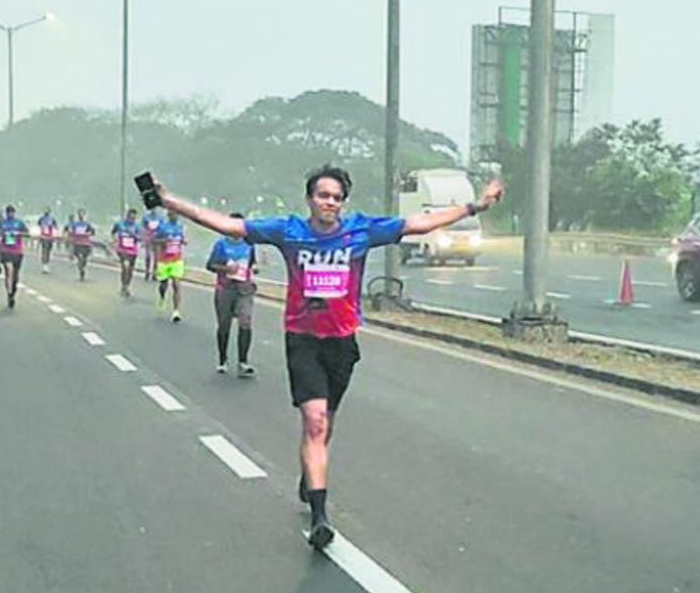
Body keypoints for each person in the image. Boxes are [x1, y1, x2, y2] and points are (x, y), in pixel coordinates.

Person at [154, 164, 504, 549]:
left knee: (326, 422)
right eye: (323, 195)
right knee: (315, 421)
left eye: (337, 197)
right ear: (310, 199)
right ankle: (320, 517)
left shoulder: (360, 230)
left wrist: (475, 206)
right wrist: (170, 202)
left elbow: (418, 224)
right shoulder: (289, 230)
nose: (330, 203)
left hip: (342, 342)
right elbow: (227, 225)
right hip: (303, 340)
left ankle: (310, 474)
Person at [206, 214, 259, 376]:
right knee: (224, 324)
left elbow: (252, 263)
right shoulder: (221, 244)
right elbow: (210, 265)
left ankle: (243, 362)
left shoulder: (249, 244)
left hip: (244, 289)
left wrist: (254, 268)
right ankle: (222, 360)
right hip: (225, 288)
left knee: (245, 321)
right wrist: (226, 269)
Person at [152, 210, 186, 323]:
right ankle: (162, 297)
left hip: (177, 260)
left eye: (177, 214)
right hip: (164, 261)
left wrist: (183, 241)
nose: (175, 216)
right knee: (163, 284)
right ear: (169, 215)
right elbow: (154, 240)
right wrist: (164, 241)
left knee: (176, 284)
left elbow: (181, 238)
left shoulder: (180, 227)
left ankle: (176, 311)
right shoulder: (162, 227)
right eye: (173, 214)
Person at [0, 205, 28, 308]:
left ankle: (13, 292)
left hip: (17, 251)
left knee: (15, 277)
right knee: (9, 271)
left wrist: (18, 233)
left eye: (12, 212)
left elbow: (27, 233)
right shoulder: (2, 223)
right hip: (6, 250)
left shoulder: (19, 222)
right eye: (8, 212)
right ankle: (9, 294)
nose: (10, 214)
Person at [111, 208, 142, 297]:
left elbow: (140, 238)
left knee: (130, 270)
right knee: (124, 267)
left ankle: (127, 285)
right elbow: (113, 232)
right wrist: (114, 239)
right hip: (122, 249)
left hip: (132, 251)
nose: (132, 219)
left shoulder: (137, 226)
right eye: (130, 217)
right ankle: (124, 286)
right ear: (127, 216)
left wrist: (133, 235)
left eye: (134, 218)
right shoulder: (120, 224)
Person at [66, 209, 95, 281]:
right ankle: (79, 267)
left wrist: (88, 234)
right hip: (77, 243)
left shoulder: (87, 224)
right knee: (79, 256)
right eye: (80, 214)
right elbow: (70, 232)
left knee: (85, 258)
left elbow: (92, 232)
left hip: (86, 243)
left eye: (82, 214)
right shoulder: (75, 224)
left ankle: (83, 266)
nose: (81, 216)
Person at [140, 206, 164, 281]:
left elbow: (162, 228)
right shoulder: (146, 217)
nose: (154, 210)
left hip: (157, 238)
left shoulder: (160, 218)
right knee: (148, 256)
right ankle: (147, 272)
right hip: (148, 238)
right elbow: (143, 227)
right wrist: (143, 238)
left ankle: (154, 273)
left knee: (156, 257)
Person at [37, 208, 58, 274]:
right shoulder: (41, 219)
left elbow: (55, 227)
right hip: (43, 237)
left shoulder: (52, 219)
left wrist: (55, 234)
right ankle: (45, 265)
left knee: (48, 251)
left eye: (47, 211)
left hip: (50, 237)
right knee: (44, 250)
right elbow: (39, 226)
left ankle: (47, 263)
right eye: (45, 210)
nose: (46, 212)